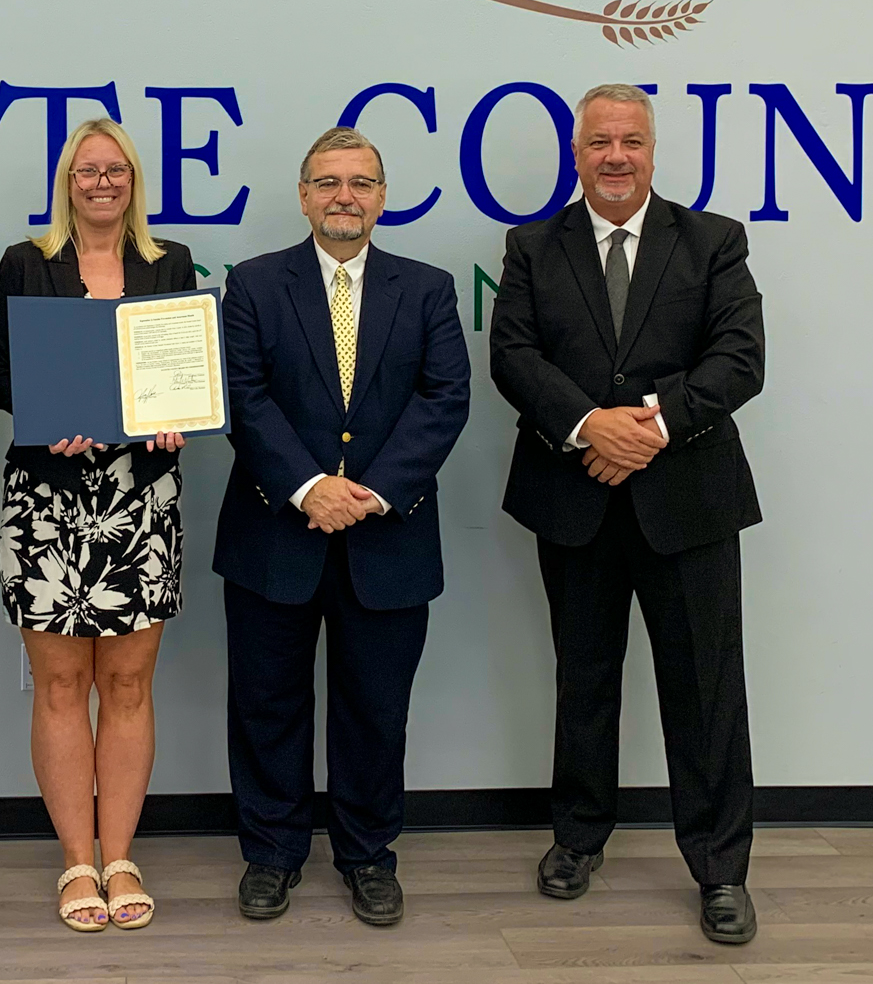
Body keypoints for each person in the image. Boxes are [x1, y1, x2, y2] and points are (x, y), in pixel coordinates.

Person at [488, 83, 766, 947]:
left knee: (706, 689)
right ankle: (577, 840)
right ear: (576, 154)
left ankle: (720, 869)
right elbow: (514, 356)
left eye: (631, 141)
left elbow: (740, 356)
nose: (616, 156)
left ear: (653, 150)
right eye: (599, 141)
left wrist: (648, 425)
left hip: (686, 500)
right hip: (573, 498)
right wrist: (584, 426)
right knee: (583, 678)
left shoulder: (712, 241)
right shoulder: (534, 246)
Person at [214, 126, 472, 927]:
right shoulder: (254, 285)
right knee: (267, 704)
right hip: (274, 533)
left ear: (382, 197)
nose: (344, 197)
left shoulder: (426, 288)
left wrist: (368, 492)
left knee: (374, 707)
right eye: (328, 182)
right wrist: (308, 486)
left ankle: (367, 855)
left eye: (360, 183)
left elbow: (445, 397)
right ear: (303, 196)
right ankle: (273, 853)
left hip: (386, 536)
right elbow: (244, 397)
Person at [0, 118, 193, 934]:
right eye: (85, 170)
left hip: (142, 497)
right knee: (64, 685)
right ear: (66, 181)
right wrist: (44, 414)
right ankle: (77, 862)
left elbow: (183, 368)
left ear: (134, 180)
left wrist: (177, 413)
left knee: (129, 686)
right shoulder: (26, 263)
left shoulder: (166, 263)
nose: (101, 181)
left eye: (115, 169)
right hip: (49, 499)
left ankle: (121, 855)